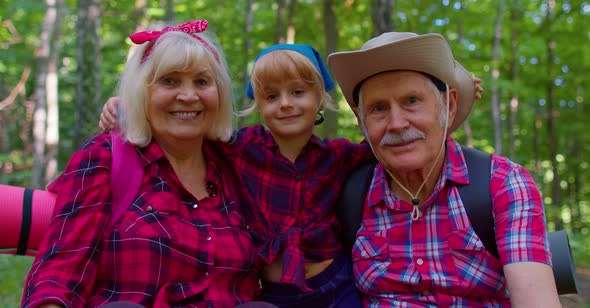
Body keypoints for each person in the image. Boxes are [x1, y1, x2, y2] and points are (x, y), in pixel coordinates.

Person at [98, 43, 484, 308]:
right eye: (272, 96)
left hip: (335, 284)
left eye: (298, 92)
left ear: (320, 99)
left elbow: (401, 139)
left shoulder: (338, 156)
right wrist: (127, 108)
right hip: (276, 292)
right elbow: (181, 126)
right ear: (258, 106)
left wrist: (455, 102)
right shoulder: (237, 148)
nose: (286, 104)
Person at [21, 20, 266, 308]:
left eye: (201, 81)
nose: (188, 96)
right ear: (142, 91)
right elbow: (60, 270)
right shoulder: (107, 157)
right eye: (169, 81)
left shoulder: (238, 163)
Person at [326, 31, 561, 307]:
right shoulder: (347, 193)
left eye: (411, 101)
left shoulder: (503, 183)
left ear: (448, 105)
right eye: (378, 108)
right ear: (361, 121)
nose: (397, 123)